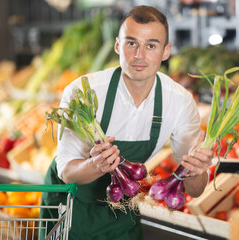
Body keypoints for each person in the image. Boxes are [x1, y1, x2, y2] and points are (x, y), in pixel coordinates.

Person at [40, 5, 213, 240]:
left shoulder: (179, 102)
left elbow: (195, 189)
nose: (139, 55)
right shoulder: (83, 91)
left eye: (151, 45)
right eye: (131, 43)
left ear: (166, 51)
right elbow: (68, 173)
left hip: (120, 206)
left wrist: (197, 171)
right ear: (117, 45)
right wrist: (97, 165)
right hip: (69, 206)